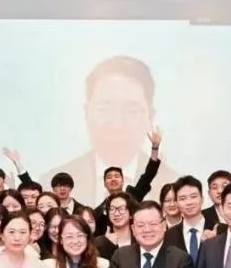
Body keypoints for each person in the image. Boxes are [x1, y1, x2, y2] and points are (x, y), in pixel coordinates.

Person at [42, 56, 179, 204]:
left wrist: (155, 147)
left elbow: (149, 174)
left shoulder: (166, 184)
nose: (117, 124)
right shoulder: (95, 208)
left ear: (149, 116)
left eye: (131, 110)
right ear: (86, 113)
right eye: (104, 109)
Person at [91, 128, 163, 234]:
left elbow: (148, 175)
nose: (113, 179)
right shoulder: (99, 211)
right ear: (105, 184)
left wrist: (155, 148)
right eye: (109, 177)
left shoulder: (133, 195)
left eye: (116, 176)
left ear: (123, 181)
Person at [94, 192, 135, 261]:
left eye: (121, 209)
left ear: (131, 214)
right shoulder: (100, 243)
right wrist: (108, 244)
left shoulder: (139, 241)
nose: (116, 213)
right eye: (112, 209)